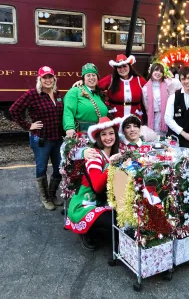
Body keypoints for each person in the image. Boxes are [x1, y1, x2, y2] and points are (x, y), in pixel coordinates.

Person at [9, 66, 64, 210]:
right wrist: (28, 126)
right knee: (41, 169)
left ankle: (52, 195)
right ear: (39, 79)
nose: (48, 80)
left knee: (59, 169)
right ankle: (45, 198)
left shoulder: (58, 94)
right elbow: (14, 110)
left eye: (50, 77)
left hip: (58, 139)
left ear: (54, 78)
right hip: (42, 140)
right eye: (44, 77)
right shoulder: (33, 94)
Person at [64, 116, 122, 250]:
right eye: (103, 134)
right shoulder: (94, 155)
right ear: (98, 137)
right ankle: (85, 231)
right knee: (116, 222)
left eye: (111, 133)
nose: (108, 137)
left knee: (123, 219)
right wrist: (112, 165)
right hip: (84, 204)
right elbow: (97, 186)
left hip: (102, 202)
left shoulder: (115, 152)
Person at [63, 63, 109, 137]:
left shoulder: (98, 94)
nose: (91, 77)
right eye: (88, 75)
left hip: (99, 133)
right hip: (82, 133)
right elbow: (68, 110)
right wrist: (69, 128)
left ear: (97, 78)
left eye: (94, 75)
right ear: (83, 78)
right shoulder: (75, 91)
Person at [98, 54, 147, 119]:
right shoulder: (110, 79)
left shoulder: (139, 80)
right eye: (119, 67)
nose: (122, 69)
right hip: (116, 117)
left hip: (135, 117)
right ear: (116, 69)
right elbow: (94, 86)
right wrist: (82, 82)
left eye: (124, 66)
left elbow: (151, 90)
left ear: (129, 66)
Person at [142, 63, 181, 135]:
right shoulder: (145, 88)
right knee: (154, 137)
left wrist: (169, 75)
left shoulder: (167, 83)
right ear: (151, 71)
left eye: (161, 71)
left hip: (167, 116)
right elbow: (146, 106)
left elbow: (178, 83)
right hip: (153, 117)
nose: (158, 73)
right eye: (156, 70)